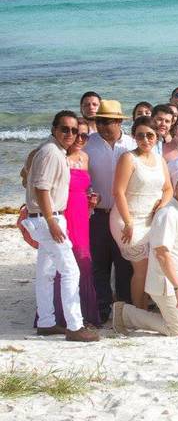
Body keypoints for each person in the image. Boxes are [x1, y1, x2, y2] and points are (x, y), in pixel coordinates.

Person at [23, 111, 99, 342]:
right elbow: (41, 189)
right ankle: (75, 327)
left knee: (46, 272)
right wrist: (51, 220)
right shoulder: (51, 152)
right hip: (48, 218)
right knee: (70, 271)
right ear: (54, 129)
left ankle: (46, 322)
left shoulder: (53, 150)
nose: (70, 134)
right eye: (65, 129)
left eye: (74, 130)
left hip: (44, 218)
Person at [111, 171, 178, 338]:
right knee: (177, 330)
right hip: (167, 283)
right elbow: (162, 254)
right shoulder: (168, 214)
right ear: (176, 187)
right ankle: (125, 313)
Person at [110, 117, 173, 310]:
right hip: (126, 219)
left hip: (151, 220)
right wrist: (128, 223)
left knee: (153, 266)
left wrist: (161, 207)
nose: (145, 140)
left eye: (150, 135)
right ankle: (139, 311)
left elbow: (168, 189)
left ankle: (145, 303)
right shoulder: (128, 158)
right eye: (140, 135)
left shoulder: (160, 160)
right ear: (134, 136)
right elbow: (118, 192)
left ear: (157, 136)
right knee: (142, 269)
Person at [84, 99, 137, 322]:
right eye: (100, 121)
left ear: (118, 121)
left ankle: (124, 311)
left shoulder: (132, 144)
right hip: (97, 215)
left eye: (108, 121)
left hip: (124, 215)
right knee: (99, 265)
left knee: (125, 264)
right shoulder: (87, 144)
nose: (104, 125)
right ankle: (102, 311)